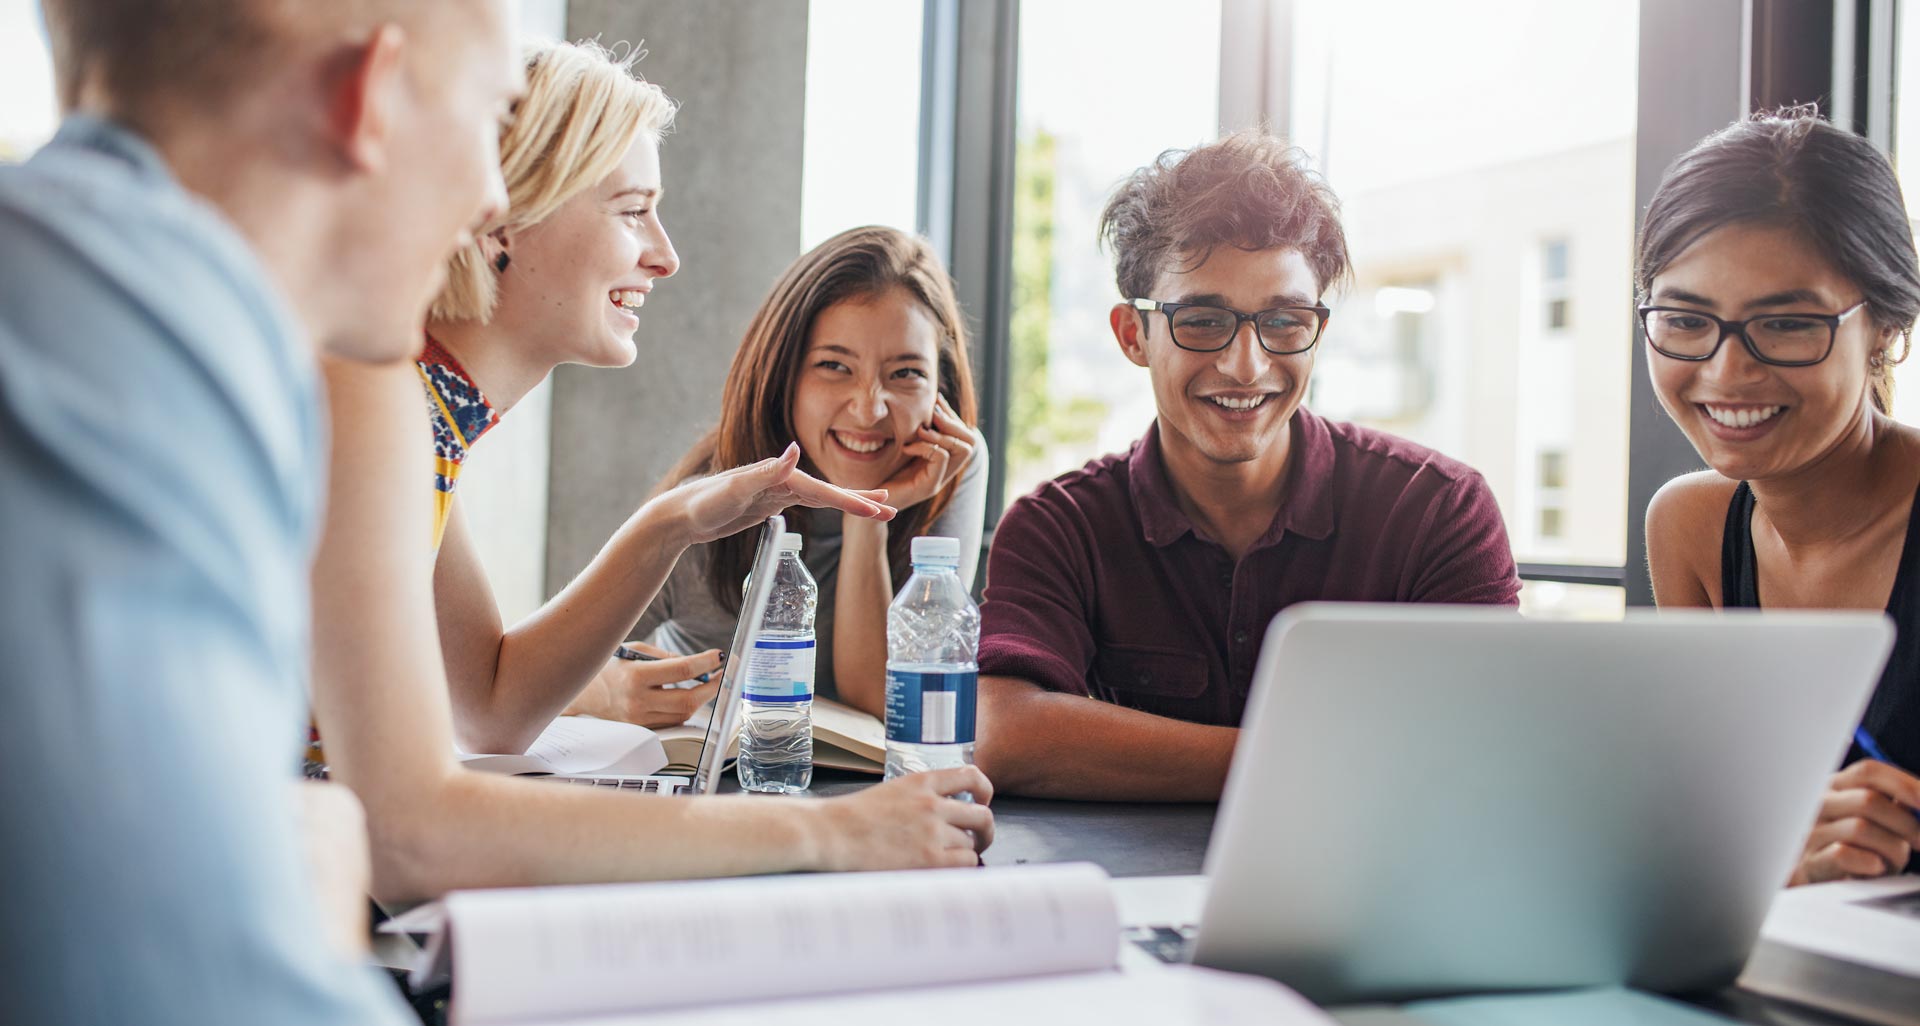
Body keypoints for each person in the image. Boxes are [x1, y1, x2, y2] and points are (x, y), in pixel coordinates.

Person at [312, 40, 994, 906]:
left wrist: (673, 521)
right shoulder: (377, 407)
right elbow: (413, 832)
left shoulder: (427, 425)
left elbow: (489, 705)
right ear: (502, 220)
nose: (665, 257)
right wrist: (831, 830)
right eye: (633, 210)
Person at [1, 1, 523, 1023]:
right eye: (492, 116)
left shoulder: (95, 287)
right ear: (369, 94)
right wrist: (313, 896)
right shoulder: (133, 344)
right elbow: (194, 992)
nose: (494, 195)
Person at [972, 131, 1521, 802]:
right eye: (1202, 320)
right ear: (1131, 335)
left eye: (1284, 322)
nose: (1246, 365)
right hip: (1127, 897)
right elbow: (1004, 732)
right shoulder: (1059, 528)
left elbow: (1483, 750)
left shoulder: (1438, 511)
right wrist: (1332, 764)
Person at [1640, 108, 1920, 884]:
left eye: (1789, 324)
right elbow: (1712, 819)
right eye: (1686, 320)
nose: (1728, 373)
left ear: (1888, 329)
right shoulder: (1690, 525)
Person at [636, 225, 985, 719]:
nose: (869, 410)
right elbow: (561, 669)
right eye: (834, 366)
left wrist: (867, 514)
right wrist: (607, 691)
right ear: (785, 377)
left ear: (940, 389)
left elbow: (885, 699)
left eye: (906, 373)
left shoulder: (952, 462)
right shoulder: (707, 506)